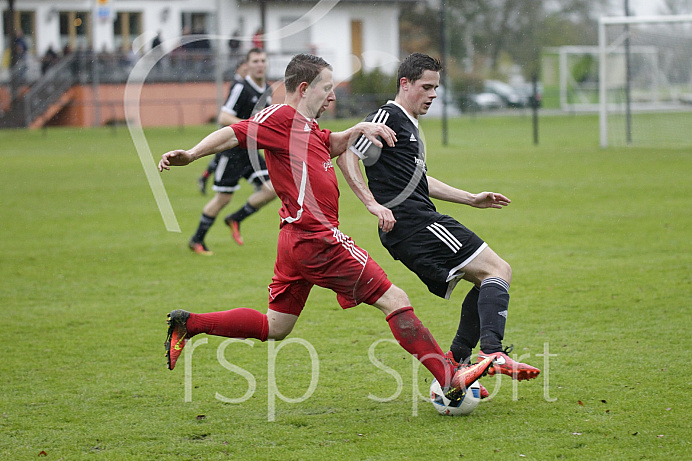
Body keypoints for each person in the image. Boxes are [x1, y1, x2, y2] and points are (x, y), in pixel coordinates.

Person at [158, 53, 494, 402]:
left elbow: (329, 144)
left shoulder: (307, 126)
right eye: (327, 89)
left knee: (276, 327)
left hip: (294, 241)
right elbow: (233, 133)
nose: (332, 97)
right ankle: (450, 377)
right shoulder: (281, 117)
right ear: (304, 89)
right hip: (317, 237)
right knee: (395, 299)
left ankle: (189, 323)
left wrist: (357, 130)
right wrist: (191, 154)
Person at [340, 53, 540, 389]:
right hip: (414, 222)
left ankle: (457, 363)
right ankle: (492, 352)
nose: (433, 94)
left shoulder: (408, 124)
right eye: (426, 87)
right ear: (405, 83)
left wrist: (471, 198)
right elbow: (346, 153)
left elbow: (419, 182)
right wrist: (372, 204)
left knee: (485, 281)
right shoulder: (387, 117)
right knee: (498, 270)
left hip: (414, 222)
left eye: (436, 87)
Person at [188, 48, 276, 253]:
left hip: (251, 152)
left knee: (272, 188)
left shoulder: (268, 90)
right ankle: (197, 240)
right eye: (255, 61)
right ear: (247, 65)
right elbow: (224, 117)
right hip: (232, 152)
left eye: (263, 60)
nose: (260, 64)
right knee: (223, 198)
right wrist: (248, 129)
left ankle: (236, 218)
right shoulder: (241, 88)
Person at [198, 57, 248, 196]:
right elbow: (227, 110)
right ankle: (206, 178)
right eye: (245, 67)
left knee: (219, 157)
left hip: (233, 127)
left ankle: (204, 177)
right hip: (231, 127)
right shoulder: (238, 84)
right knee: (220, 156)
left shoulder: (242, 83)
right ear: (239, 68)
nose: (247, 70)